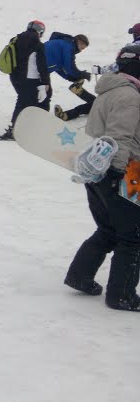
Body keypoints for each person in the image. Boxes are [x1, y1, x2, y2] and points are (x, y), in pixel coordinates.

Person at [63, 44, 140, 311]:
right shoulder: (129, 96)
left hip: (94, 169)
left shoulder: (109, 92)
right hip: (124, 171)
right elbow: (121, 136)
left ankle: (79, 276)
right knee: (133, 235)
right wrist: (117, 171)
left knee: (108, 229)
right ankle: (122, 295)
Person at [1, 20, 50, 139]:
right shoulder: (38, 44)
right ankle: (15, 130)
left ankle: (20, 127)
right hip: (30, 79)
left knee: (24, 101)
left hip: (14, 77)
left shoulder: (15, 39)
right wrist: (44, 83)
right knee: (29, 102)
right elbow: (42, 66)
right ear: (40, 31)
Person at [45, 32, 93, 121]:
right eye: (82, 47)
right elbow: (69, 66)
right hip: (36, 70)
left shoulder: (63, 44)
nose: (81, 50)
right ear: (78, 41)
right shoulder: (68, 45)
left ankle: (41, 115)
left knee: (45, 94)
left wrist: (72, 78)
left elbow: (60, 68)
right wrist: (81, 74)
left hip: (41, 71)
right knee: (43, 95)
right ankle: (39, 116)